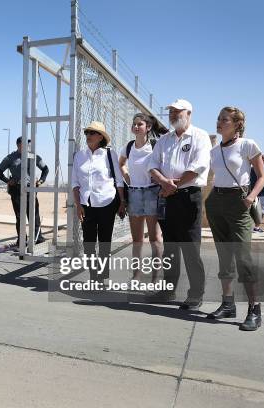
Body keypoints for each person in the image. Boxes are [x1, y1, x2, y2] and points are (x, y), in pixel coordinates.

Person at [205, 106, 264, 331]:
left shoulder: (248, 145)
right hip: (216, 201)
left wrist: (250, 197)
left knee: (244, 258)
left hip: (239, 202)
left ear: (237, 124)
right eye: (218, 118)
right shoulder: (214, 150)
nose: (219, 122)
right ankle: (228, 304)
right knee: (224, 255)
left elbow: (261, 177)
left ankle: (254, 309)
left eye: (225, 119)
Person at [147, 99, 211, 310]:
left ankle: (195, 294)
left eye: (177, 111)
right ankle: (168, 290)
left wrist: (173, 185)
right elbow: (152, 166)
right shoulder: (164, 140)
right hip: (166, 196)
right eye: (171, 112)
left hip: (188, 196)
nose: (173, 114)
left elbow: (198, 167)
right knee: (170, 248)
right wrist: (165, 182)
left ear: (189, 113)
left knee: (190, 248)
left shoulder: (200, 136)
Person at [72, 121, 126, 282]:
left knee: (104, 242)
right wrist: (78, 205)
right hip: (86, 205)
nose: (88, 135)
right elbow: (75, 183)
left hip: (107, 203)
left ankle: (101, 278)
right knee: (88, 243)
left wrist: (122, 202)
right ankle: (93, 275)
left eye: (92, 133)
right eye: (87, 132)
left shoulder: (110, 154)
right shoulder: (79, 156)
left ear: (101, 137)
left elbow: (119, 181)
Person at [119, 113, 166, 282]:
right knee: (137, 239)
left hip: (153, 193)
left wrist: (159, 177)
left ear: (148, 127)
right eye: (134, 124)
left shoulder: (155, 145)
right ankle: (136, 276)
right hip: (134, 193)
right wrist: (127, 177)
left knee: (155, 238)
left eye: (140, 124)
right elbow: (121, 163)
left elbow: (164, 164)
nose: (136, 126)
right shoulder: (129, 146)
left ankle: (156, 277)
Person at [0, 137, 49, 245]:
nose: (27, 146)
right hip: (17, 190)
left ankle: (38, 238)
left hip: (31, 189)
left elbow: (45, 169)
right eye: (25, 144)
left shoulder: (34, 157)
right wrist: (7, 181)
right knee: (20, 216)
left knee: (34, 215)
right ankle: (22, 240)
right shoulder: (10, 158)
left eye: (28, 144)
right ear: (18, 145)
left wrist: (41, 181)